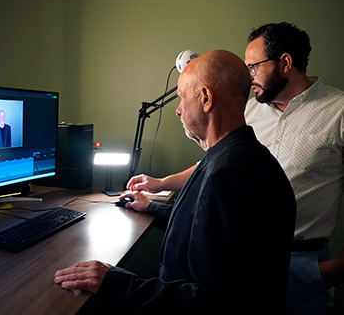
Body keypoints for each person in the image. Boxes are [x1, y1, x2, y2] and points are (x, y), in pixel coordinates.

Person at [55, 50, 297, 314]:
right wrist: (150, 207)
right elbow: (206, 228)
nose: (177, 110)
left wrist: (115, 283)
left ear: (205, 98)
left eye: (182, 97)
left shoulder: (230, 174)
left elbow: (213, 303)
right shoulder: (237, 156)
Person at [128, 22, 344, 314]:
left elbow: (222, 174)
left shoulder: (338, 111)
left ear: (285, 62)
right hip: (238, 251)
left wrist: (336, 270)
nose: (248, 76)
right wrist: (161, 185)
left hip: (304, 261)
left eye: (253, 67)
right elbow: (212, 167)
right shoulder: (248, 111)